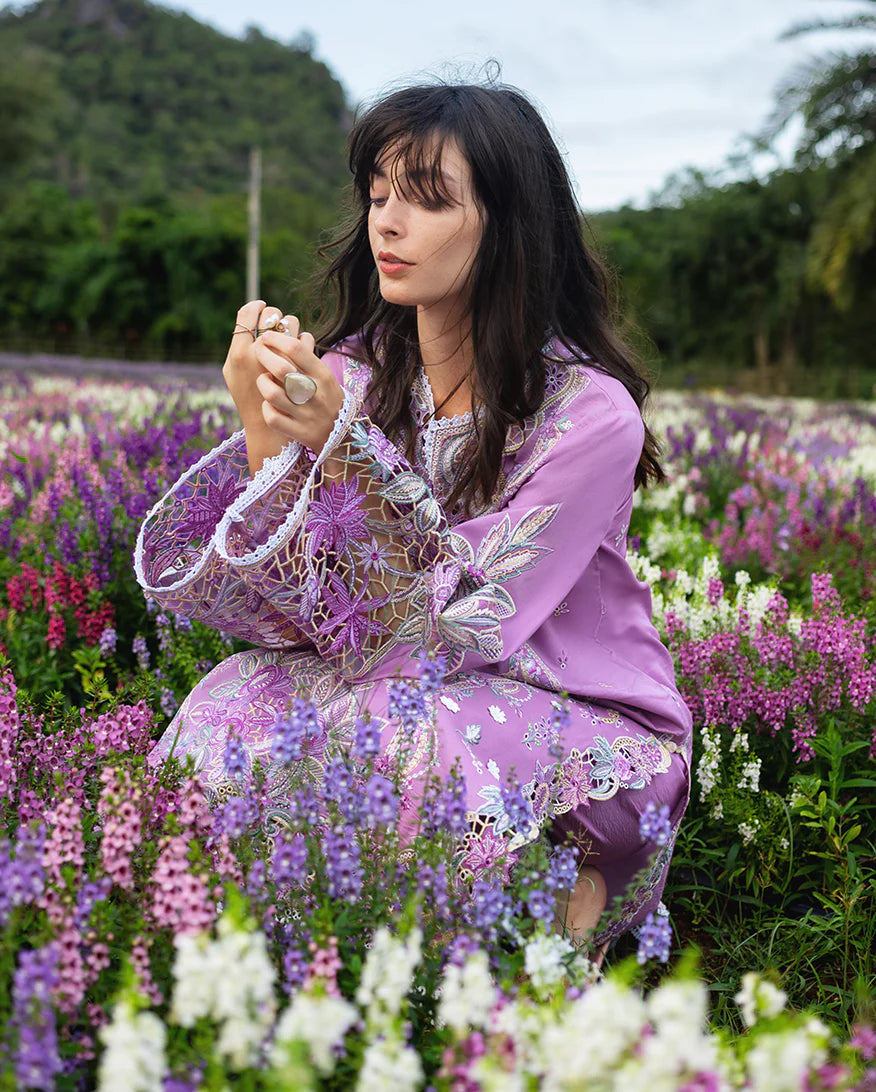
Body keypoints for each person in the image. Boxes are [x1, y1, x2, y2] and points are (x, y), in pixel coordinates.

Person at [134, 81, 692, 947]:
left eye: (427, 199)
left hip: (583, 722)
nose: (387, 224)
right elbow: (299, 610)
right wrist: (261, 423)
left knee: (407, 724)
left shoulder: (589, 415)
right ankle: (247, 946)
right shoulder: (353, 373)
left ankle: (486, 937)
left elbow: (453, 633)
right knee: (234, 696)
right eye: (377, 195)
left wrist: (346, 449)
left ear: (507, 225)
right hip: (398, 679)